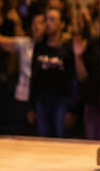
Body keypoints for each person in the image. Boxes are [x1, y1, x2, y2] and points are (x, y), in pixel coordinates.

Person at [29, 8, 75, 137]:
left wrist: (72, 109)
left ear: (62, 24)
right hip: (41, 100)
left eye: (52, 20)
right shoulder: (39, 46)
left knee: (61, 139)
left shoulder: (68, 48)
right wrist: (31, 106)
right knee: (43, 141)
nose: (48, 23)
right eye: (46, 20)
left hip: (62, 101)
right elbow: (34, 77)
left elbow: (73, 79)